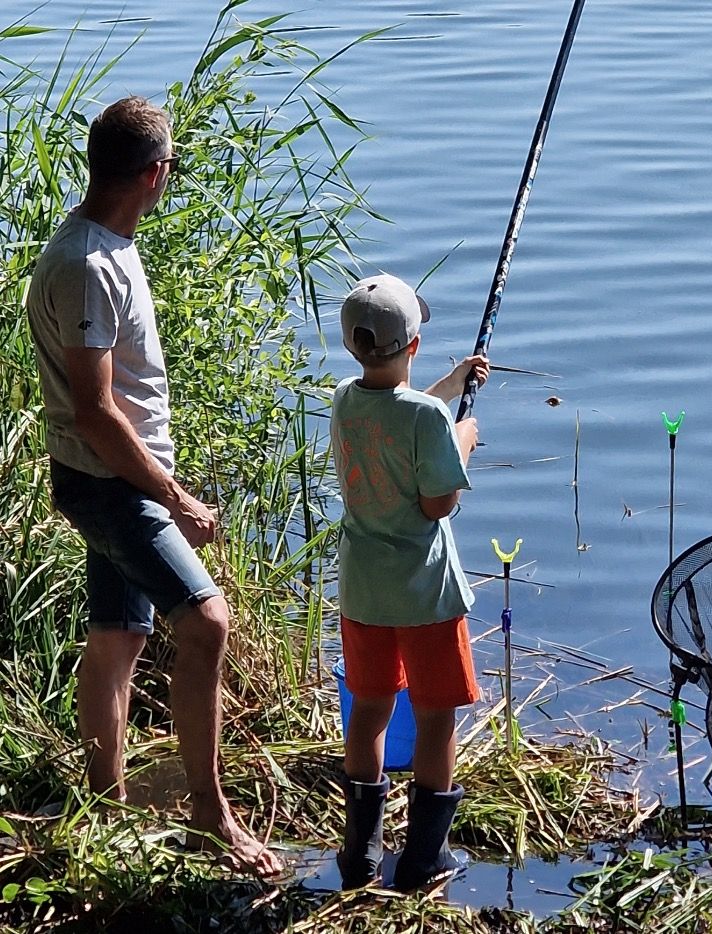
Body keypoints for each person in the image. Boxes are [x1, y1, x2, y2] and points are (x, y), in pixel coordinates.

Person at [26, 96, 281, 876]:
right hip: (109, 482)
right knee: (206, 622)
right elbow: (98, 413)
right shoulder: (89, 266)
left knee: (119, 635)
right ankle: (211, 817)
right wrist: (177, 497)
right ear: (155, 174)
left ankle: (105, 807)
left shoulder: (101, 246)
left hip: (105, 475)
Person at [331, 273, 489, 890]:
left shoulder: (346, 396)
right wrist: (464, 440)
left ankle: (362, 854)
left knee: (369, 712)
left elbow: (392, 414)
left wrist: (450, 388)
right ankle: (423, 858)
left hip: (363, 592)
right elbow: (437, 503)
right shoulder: (429, 420)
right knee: (434, 718)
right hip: (425, 596)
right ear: (414, 346)